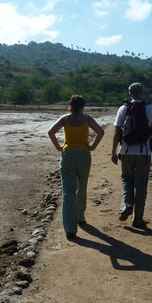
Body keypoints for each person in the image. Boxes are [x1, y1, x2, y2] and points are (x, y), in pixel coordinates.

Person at [48, 95, 105, 239]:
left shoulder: (65, 118)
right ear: (82, 106)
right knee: (82, 187)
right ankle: (80, 217)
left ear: (71, 105)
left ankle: (70, 228)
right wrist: (92, 147)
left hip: (68, 155)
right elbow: (101, 132)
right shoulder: (87, 119)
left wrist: (59, 147)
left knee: (68, 192)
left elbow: (51, 132)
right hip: (84, 155)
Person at [111, 83, 152, 228]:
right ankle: (137, 219)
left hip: (125, 153)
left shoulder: (123, 108)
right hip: (143, 153)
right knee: (141, 186)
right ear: (142, 93)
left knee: (127, 180)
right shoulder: (150, 109)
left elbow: (117, 132)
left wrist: (113, 152)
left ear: (130, 93)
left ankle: (127, 204)